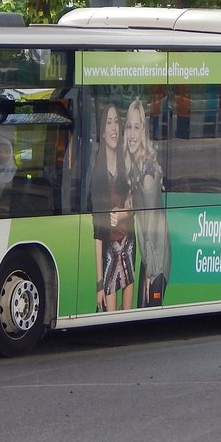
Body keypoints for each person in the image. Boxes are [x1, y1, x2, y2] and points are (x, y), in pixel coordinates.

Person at [125, 98, 170, 307]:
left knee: (149, 311)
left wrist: (151, 271)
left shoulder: (148, 169)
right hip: (148, 255)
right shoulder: (135, 164)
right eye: (129, 127)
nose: (132, 134)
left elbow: (153, 224)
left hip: (156, 258)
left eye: (137, 127)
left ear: (143, 130)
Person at [90, 100, 134, 312]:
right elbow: (98, 232)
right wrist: (99, 284)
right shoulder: (98, 174)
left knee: (128, 318)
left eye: (116, 121)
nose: (114, 127)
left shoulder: (125, 164)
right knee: (111, 316)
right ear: (102, 131)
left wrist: (123, 213)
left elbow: (135, 205)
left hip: (129, 247)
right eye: (109, 122)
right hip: (109, 251)